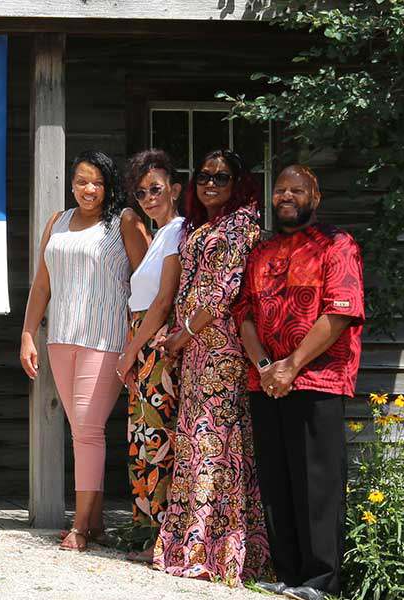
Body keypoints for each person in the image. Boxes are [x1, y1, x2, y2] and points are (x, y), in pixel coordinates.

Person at [239, 165, 363, 600]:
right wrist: (265, 367)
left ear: (316, 195)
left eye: (296, 189)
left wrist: (291, 365)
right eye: (280, 190)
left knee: (317, 484)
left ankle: (321, 582)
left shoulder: (337, 245)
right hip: (268, 382)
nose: (285, 196)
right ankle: (289, 574)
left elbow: (340, 311)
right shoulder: (262, 251)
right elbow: (245, 315)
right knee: (278, 480)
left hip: (319, 381)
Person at [18, 150, 148, 550]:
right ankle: (93, 525)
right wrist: (27, 334)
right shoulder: (57, 222)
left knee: (88, 430)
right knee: (81, 432)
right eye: (80, 181)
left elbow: (147, 280)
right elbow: (43, 283)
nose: (87, 189)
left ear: (108, 186)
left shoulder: (123, 221)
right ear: (71, 183)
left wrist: (139, 337)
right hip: (61, 338)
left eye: (96, 182)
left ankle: (80, 526)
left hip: (105, 339)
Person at [152, 149, 270, 585]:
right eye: (204, 176)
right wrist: (179, 336)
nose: (211, 183)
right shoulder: (199, 226)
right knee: (193, 439)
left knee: (214, 440)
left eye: (222, 177)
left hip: (220, 346)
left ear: (238, 182)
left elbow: (225, 289)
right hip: (194, 350)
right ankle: (188, 542)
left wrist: (183, 333)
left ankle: (217, 549)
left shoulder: (242, 224)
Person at [116, 149, 186, 533]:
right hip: (142, 341)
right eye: (141, 193)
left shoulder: (178, 231)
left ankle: (162, 533)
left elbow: (162, 302)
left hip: (153, 343)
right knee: (144, 436)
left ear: (174, 189)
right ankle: (147, 529)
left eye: (155, 189)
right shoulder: (158, 235)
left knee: (158, 437)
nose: (149, 198)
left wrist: (129, 354)